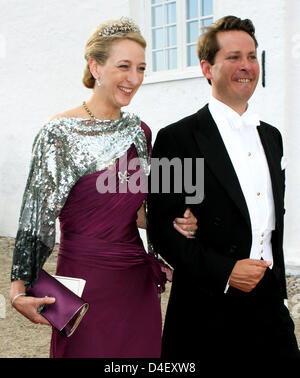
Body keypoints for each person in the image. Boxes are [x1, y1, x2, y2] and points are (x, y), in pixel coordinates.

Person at [9, 17, 198, 358]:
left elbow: (139, 211)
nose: (134, 79)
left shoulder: (140, 132)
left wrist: (172, 222)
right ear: (95, 66)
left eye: (141, 68)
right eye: (124, 66)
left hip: (136, 286)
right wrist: (18, 288)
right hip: (85, 286)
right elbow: (36, 215)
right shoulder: (59, 133)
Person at [147, 15, 300, 361]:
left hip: (270, 307)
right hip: (208, 308)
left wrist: (280, 293)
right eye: (233, 57)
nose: (245, 66)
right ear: (207, 68)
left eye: (251, 56)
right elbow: (162, 229)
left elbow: (273, 218)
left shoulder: (271, 137)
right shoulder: (178, 138)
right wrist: (226, 271)